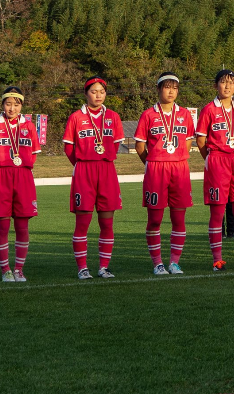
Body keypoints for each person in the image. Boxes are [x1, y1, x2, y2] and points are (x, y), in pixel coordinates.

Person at [62, 77, 124, 278]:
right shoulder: (76, 117)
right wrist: (82, 163)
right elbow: (69, 148)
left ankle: (103, 267)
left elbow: (115, 144)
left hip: (106, 170)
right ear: (86, 93)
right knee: (83, 223)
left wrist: (103, 158)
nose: (98, 95)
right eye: (94, 91)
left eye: (102, 92)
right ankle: (82, 268)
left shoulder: (113, 116)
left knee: (107, 223)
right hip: (84, 170)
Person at [135, 73, 195, 275]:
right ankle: (158, 263)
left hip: (179, 168)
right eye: (167, 87)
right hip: (156, 169)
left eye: (175, 88)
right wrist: (152, 162)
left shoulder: (185, 114)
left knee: (179, 218)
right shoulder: (148, 115)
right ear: (159, 89)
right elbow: (140, 145)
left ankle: (174, 262)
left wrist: (177, 157)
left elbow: (188, 141)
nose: (171, 91)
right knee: (155, 219)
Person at [195, 69, 234, 270]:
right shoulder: (208, 109)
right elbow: (201, 140)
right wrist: (211, 159)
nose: (227, 86)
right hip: (217, 160)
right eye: (223, 81)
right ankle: (217, 260)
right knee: (217, 213)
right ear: (215, 85)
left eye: (231, 82)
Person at [0, 85, 40, 282]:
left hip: (23, 176)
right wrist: (0, 169)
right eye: (8, 104)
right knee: (2, 225)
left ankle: (19, 269)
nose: (12, 108)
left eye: (16, 104)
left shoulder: (29, 126)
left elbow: (33, 155)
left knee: (22, 226)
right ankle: (5, 269)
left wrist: (22, 166)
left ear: (21, 105)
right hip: (0, 177)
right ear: (2, 104)